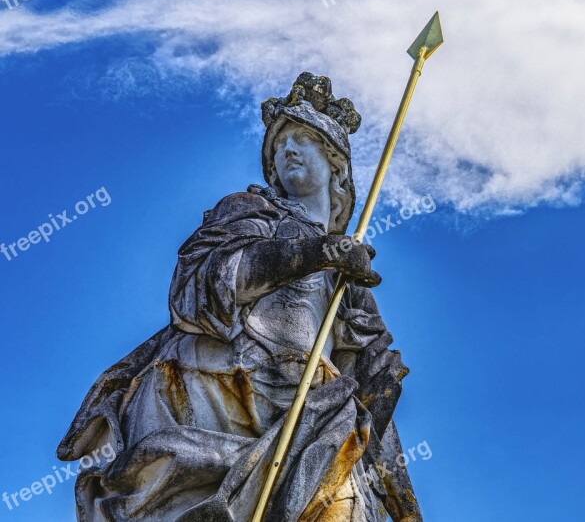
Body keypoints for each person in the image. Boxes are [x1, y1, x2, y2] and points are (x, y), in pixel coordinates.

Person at [58, 73, 422, 521]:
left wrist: (405, 507)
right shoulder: (250, 212)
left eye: (302, 139)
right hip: (222, 385)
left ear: (336, 166)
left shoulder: (350, 284)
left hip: (310, 413)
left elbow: (370, 403)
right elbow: (201, 284)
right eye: (279, 141)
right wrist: (316, 253)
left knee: (346, 500)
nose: (286, 148)